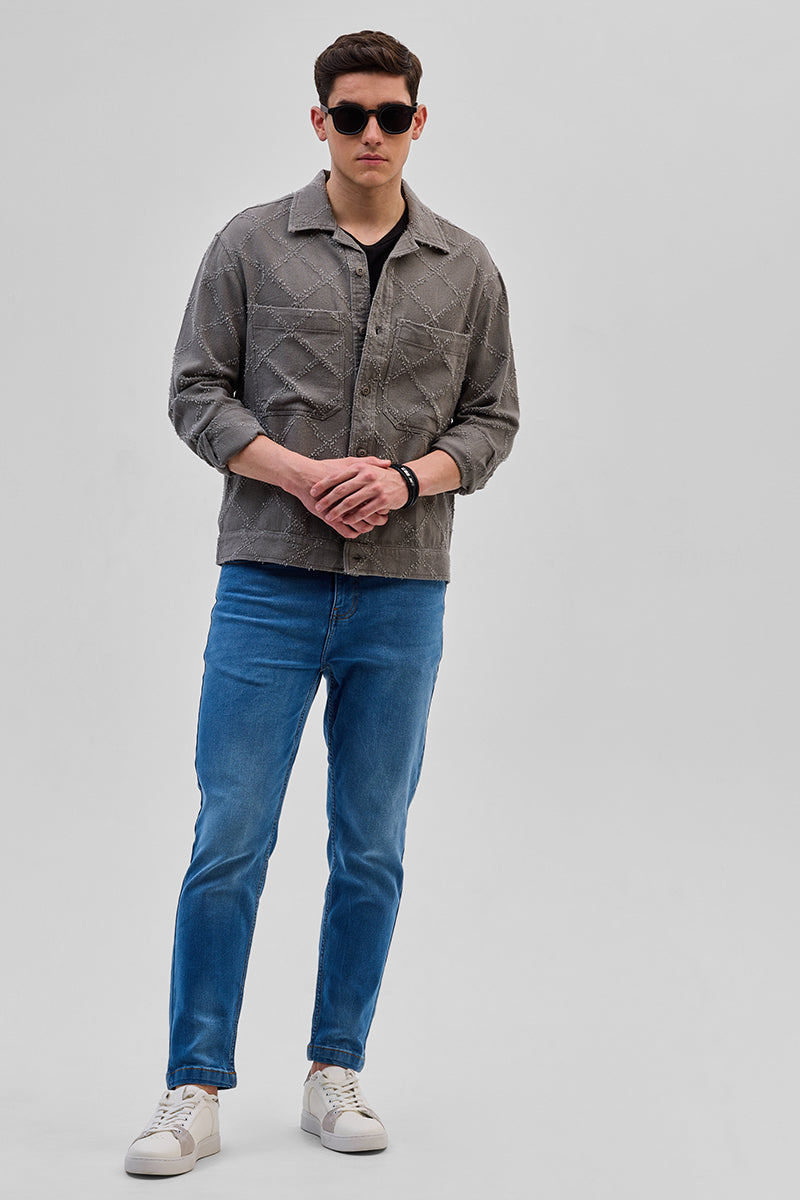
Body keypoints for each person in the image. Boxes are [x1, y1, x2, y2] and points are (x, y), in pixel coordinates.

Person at [124, 29, 518, 1176]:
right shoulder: (250, 245)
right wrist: (298, 474)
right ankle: (193, 1084)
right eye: (350, 115)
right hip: (267, 586)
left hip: (402, 595)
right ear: (319, 122)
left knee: (371, 845)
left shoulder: (467, 267)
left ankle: (333, 1068)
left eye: (391, 115)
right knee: (229, 832)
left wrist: (404, 478)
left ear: (417, 123)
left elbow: (491, 420)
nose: (370, 135)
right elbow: (195, 392)